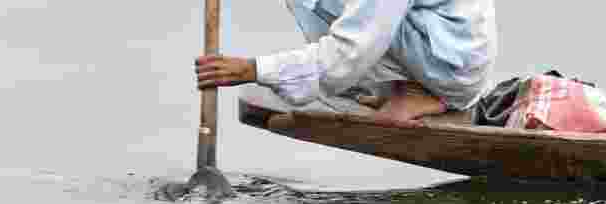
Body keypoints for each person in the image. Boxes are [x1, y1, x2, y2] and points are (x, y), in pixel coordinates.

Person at [194, 0, 497, 121]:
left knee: (356, 35)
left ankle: (424, 92)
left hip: (451, 68)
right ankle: (369, 81)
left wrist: (254, 69)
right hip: (440, 44)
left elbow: (354, 46)